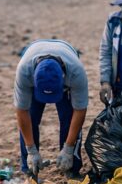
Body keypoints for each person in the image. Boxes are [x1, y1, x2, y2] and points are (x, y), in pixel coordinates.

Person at [14, 39, 88, 177]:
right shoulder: (24, 71)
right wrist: (31, 150)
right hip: (34, 53)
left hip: (65, 53)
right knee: (31, 117)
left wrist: (68, 148)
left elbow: (80, 111)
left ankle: (71, 168)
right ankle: (29, 169)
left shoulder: (76, 72)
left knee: (68, 118)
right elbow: (22, 112)